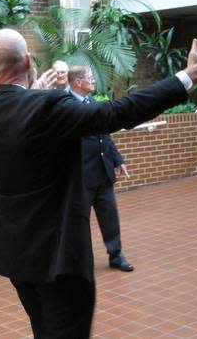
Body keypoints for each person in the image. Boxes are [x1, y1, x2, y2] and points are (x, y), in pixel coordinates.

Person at [0, 28, 197, 338]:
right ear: (28, 61)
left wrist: (35, 95)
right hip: (58, 257)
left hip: (15, 253)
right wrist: (187, 77)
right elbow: (117, 112)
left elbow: (21, 119)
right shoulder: (47, 108)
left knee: (43, 328)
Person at [67, 65, 134, 272]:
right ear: (78, 81)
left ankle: (116, 255)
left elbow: (104, 133)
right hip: (80, 177)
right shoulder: (66, 106)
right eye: (90, 77)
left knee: (110, 217)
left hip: (102, 173)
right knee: (79, 222)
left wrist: (117, 159)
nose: (93, 80)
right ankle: (79, 261)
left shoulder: (92, 102)